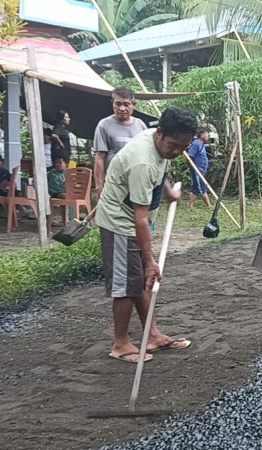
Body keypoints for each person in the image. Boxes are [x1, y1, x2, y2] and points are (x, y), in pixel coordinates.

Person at [95, 107, 198, 363]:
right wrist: (150, 261)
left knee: (141, 280)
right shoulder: (142, 162)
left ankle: (152, 335)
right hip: (120, 223)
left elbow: (160, 167)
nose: (177, 152)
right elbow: (140, 219)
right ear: (160, 133)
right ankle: (120, 344)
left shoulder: (157, 141)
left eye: (184, 147)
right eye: (174, 145)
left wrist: (167, 190)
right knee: (127, 285)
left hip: (133, 220)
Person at [93, 87, 148, 193]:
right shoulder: (104, 125)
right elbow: (100, 157)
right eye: (118, 104)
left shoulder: (141, 125)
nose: (122, 108)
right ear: (112, 104)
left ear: (133, 105)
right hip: (113, 184)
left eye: (126, 104)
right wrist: (99, 186)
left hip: (136, 184)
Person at [187, 129, 212, 210]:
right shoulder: (196, 144)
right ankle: (208, 204)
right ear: (202, 135)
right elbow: (190, 156)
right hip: (197, 170)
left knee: (196, 187)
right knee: (200, 187)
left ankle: (191, 205)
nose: (208, 136)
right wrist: (193, 168)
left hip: (201, 170)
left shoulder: (201, 144)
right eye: (206, 134)